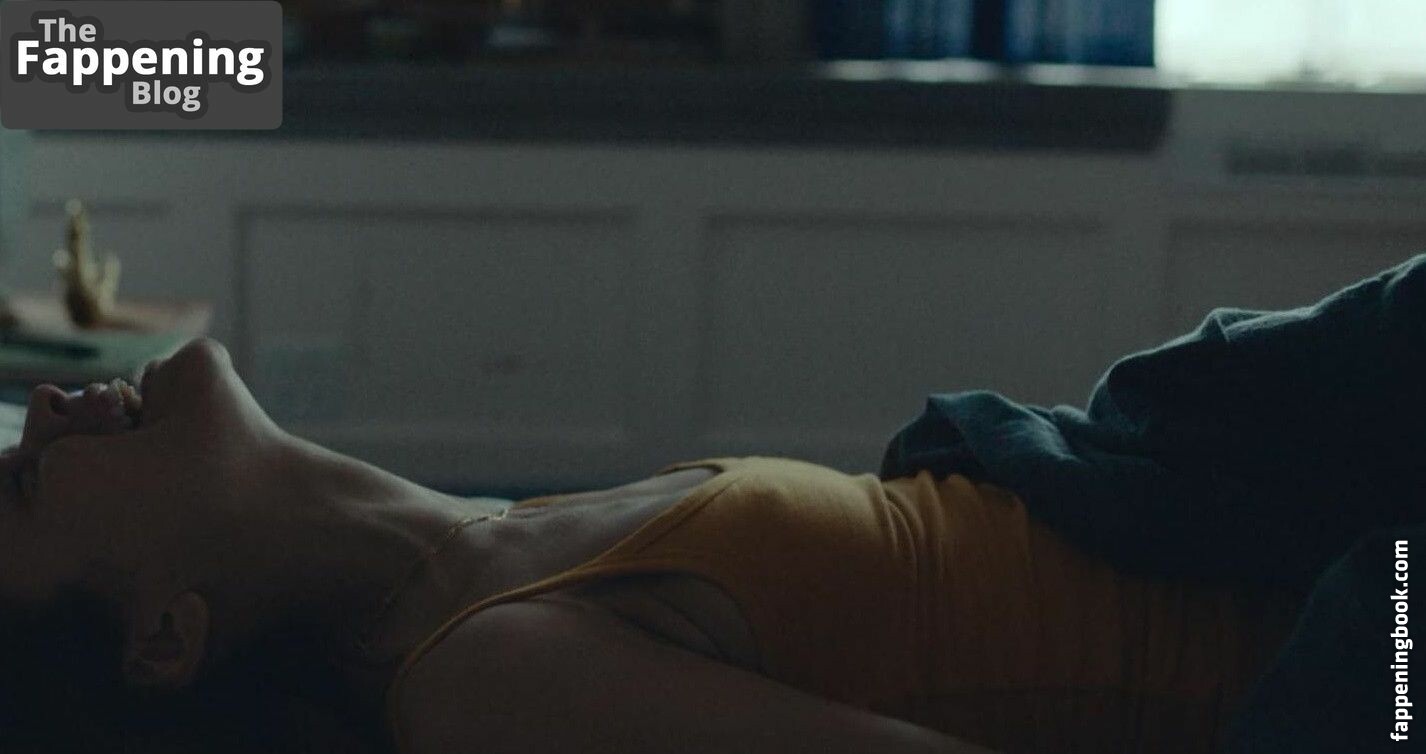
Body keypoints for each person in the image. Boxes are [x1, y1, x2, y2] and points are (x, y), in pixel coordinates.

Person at [9, 244, 1419, 754]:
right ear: (165, 635)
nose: (42, 414)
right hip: (1345, 646)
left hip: (1207, 503)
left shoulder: (484, 530)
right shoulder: (479, 684)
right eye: (20, 485)